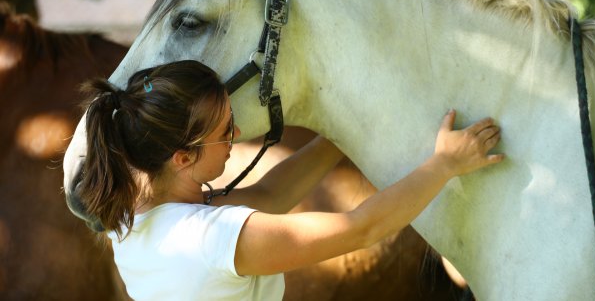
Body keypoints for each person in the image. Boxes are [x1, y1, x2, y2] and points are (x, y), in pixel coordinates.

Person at [79, 59, 504, 301]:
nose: (236, 138)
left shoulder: (132, 224)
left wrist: (340, 132)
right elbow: (361, 228)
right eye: (225, 131)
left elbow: (270, 192)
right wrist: (445, 164)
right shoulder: (213, 237)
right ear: (183, 156)